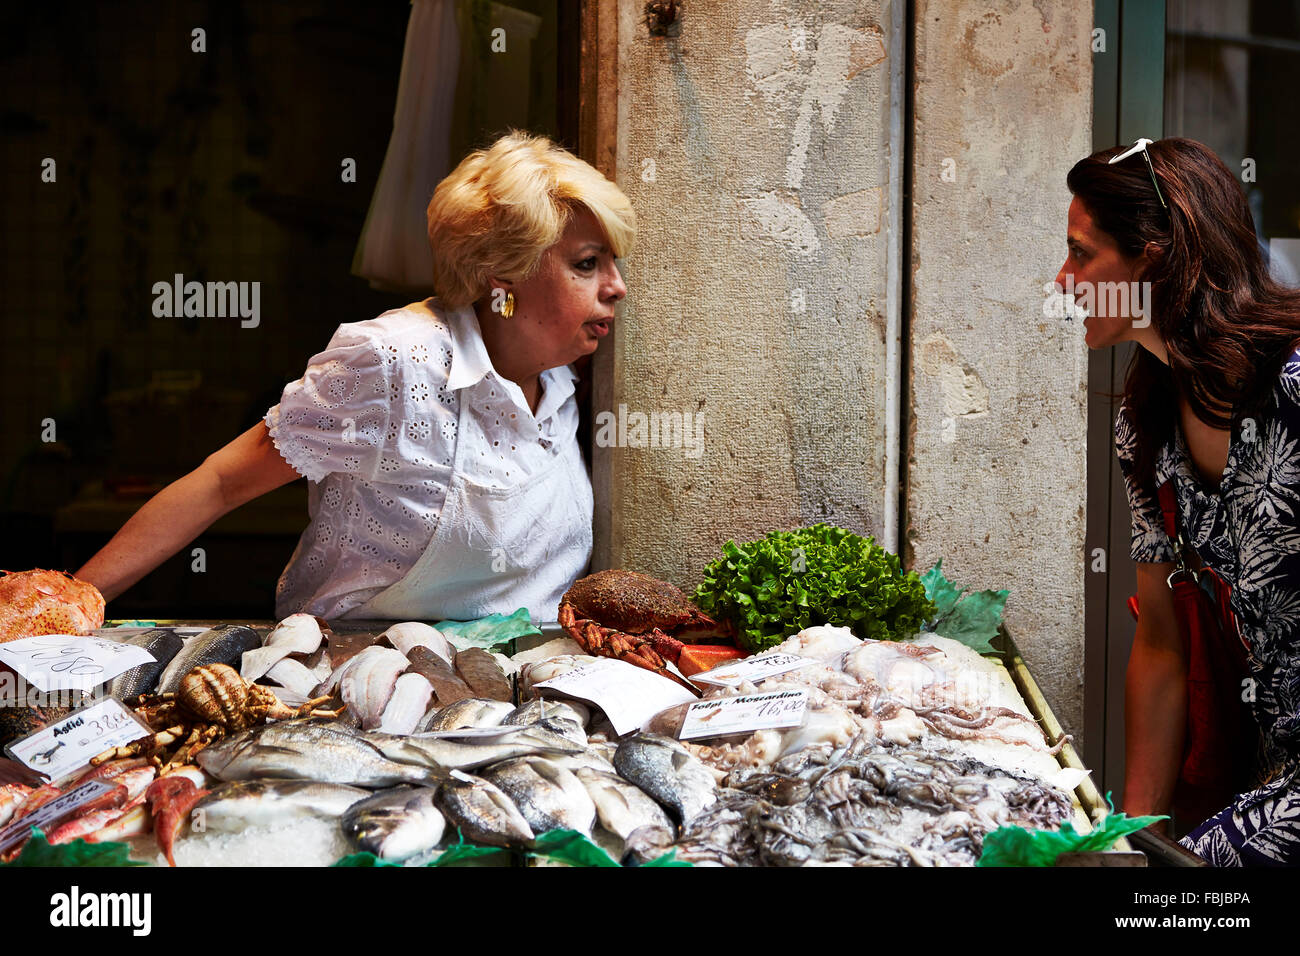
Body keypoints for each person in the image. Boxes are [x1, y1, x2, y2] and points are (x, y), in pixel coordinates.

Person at [77, 132, 634, 623]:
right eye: (586, 264)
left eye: (612, 262)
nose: (617, 286)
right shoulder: (393, 362)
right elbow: (221, 483)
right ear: (502, 280)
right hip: (358, 688)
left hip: (516, 698)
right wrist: (69, 605)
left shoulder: (562, 379)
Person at [1056, 136, 1300, 865]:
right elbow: (1160, 642)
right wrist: (1131, 836)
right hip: (1271, 768)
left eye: (1081, 254)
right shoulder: (1147, 423)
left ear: (1154, 256)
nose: (1064, 282)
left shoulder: (1293, 388)